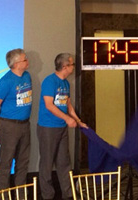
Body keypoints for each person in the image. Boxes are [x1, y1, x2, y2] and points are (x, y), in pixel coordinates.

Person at [37, 53, 88, 200]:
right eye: (71, 64)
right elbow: (49, 105)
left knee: (64, 162)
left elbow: (68, 104)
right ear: (65, 66)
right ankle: (47, 195)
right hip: (48, 127)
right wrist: (67, 119)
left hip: (61, 127)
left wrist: (77, 120)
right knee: (46, 164)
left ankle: (68, 194)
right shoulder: (50, 81)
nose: (73, 67)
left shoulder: (66, 83)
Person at [0, 48, 32, 191]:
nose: (28, 62)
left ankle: (21, 194)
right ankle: (3, 195)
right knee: (6, 163)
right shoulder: (5, 81)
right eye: (25, 59)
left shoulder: (27, 76)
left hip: (25, 124)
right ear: (16, 63)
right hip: (9, 126)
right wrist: (2, 122)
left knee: (23, 162)